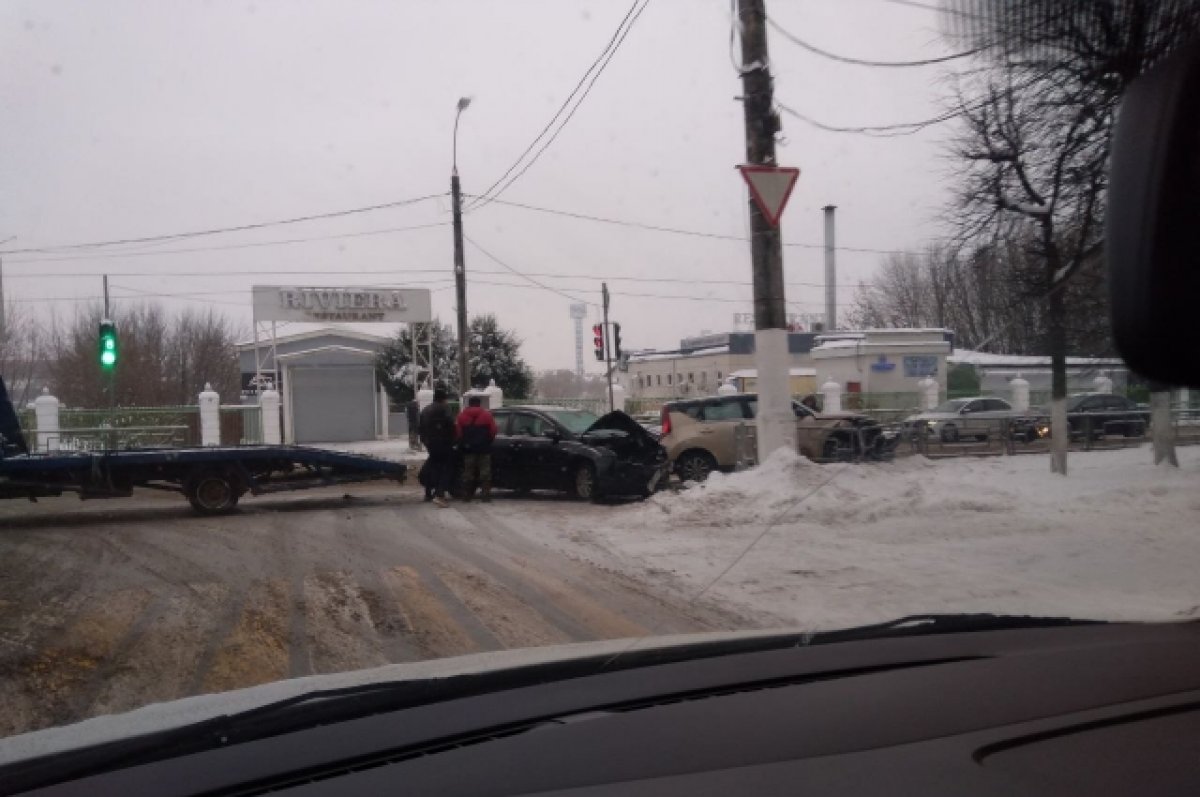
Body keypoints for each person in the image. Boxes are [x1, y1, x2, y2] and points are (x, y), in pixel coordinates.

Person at [455, 395, 498, 502]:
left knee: (468, 472)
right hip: (484, 448)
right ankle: (485, 496)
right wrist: (488, 441)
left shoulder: (461, 416)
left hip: (468, 449)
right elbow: (493, 430)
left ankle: (466, 495)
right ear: (479, 404)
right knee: (485, 472)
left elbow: (458, 433)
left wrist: (463, 443)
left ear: (469, 404)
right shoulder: (487, 415)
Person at [418, 388, 456, 507]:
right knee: (446, 469)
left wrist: (426, 441)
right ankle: (440, 495)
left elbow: (420, 428)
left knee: (433, 467)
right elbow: (451, 425)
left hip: (430, 444)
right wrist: (453, 440)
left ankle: (428, 493)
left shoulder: (425, 410)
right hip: (444, 443)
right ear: (443, 398)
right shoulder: (445, 409)